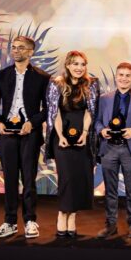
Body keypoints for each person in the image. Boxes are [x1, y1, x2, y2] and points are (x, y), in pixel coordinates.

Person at [0, 35, 51, 239]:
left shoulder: (42, 77)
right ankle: (10, 222)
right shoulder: (0, 76)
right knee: (10, 179)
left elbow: (48, 108)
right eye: (13, 47)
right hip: (7, 135)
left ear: (31, 52)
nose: (15, 50)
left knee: (29, 179)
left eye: (21, 47)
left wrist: (32, 122)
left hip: (30, 134)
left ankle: (30, 220)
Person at [95, 62, 131, 239]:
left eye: (128, 75)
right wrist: (101, 130)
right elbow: (97, 121)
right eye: (121, 75)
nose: (124, 78)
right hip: (109, 148)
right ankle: (110, 225)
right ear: (116, 77)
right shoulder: (104, 98)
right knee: (110, 190)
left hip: (130, 149)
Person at [47, 50, 100, 237]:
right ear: (68, 65)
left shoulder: (91, 84)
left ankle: (73, 217)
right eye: (75, 64)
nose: (79, 68)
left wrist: (85, 134)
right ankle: (62, 214)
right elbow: (54, 112)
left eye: (83, 64)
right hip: (61, 136)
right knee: (66, 178)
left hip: (82, 137)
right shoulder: (56, 83)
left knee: (79, 177)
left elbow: (90, 111)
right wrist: (60, 135)